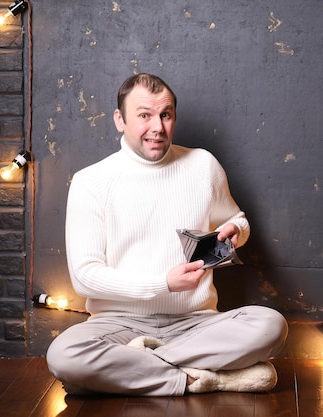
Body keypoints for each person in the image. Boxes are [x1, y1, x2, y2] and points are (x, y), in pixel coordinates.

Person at [46, 73, 288, 396]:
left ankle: (130, 369)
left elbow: (237, 220)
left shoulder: (203, 165)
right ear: (120, 119)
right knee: (63, 355)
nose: (157, 127)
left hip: (196, 324)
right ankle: (194, 379)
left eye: (166, 114)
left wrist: (234, 231)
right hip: (118, 324)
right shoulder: (91, 182)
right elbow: (85, 278)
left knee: (272, 326)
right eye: (144, 115)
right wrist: (164, 283)